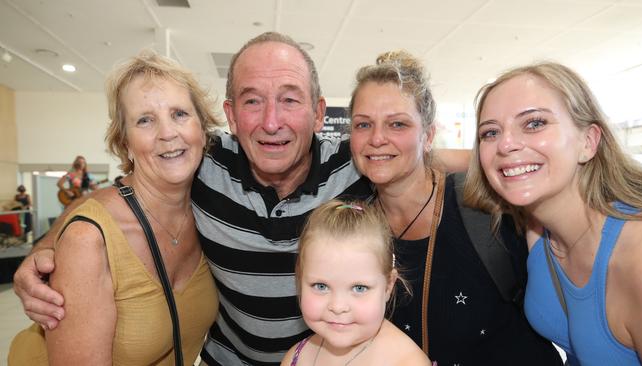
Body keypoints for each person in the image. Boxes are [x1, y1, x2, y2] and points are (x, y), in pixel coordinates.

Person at [13, 32, 468, 365]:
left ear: (317, 112)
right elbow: (119, 194)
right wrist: (48, 247)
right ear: (229, 114)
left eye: (289, 100)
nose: (271, 122)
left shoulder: (357, 165)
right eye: (252, 101)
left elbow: (426, 156)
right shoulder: (202, 162)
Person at [348, 50, 562, 365]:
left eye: (397, 124)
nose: (377, 138)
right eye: (363, 125)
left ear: (429, 135)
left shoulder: (484, 202)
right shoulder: (355, 228)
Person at [8, 50, 221, 365]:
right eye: (145, 120)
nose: (167, 133)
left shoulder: (209, 206)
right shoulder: (89, 241)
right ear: (125, 143)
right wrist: (48, 245)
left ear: (203, 130)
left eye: (179, 114)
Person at [466, 62, 642, 365]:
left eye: (535, 123)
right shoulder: (537, 224)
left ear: (588, 142)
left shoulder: (640, 258)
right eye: (490, 132)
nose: (506, 143)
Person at [281, 199, 431, 366]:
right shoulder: (296, 357)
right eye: (321, 286)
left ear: (388, 286)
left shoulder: (409, 362)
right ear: (300, 279)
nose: (338, 307)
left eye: (359, 288)